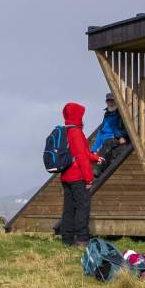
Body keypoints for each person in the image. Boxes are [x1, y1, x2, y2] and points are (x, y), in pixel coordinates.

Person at [56, 102, 98, 247]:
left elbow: (80, 154)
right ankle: (82, 239)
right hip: (77, 176)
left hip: (65, 176)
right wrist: (89, 179)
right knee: (82, 207)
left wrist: (95, 157)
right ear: (77, 116)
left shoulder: (66, 131)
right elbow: (81, 157)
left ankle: (67, 239)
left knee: (68, 208)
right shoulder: (76, 133)